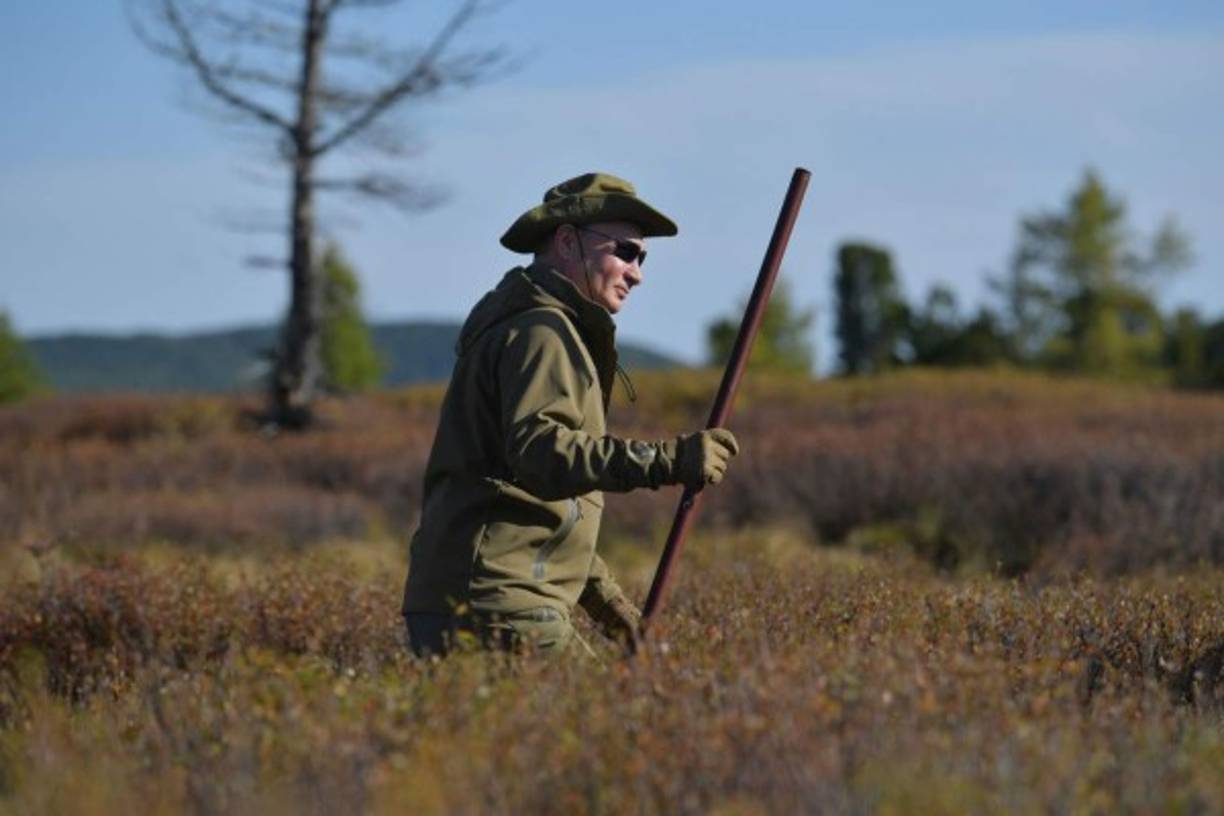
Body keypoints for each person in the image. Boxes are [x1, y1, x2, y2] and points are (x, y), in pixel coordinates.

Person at [400, 172, 739, 657]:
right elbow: (543, 456)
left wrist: (611, 609)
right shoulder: (543, 332)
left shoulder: (535, 327)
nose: (637, 272)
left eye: (642, 257)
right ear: (566, 241)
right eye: (624, 251)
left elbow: (541, 511)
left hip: (476, 598)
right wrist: (671, 459)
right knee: (612, 729)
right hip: (501, 604)